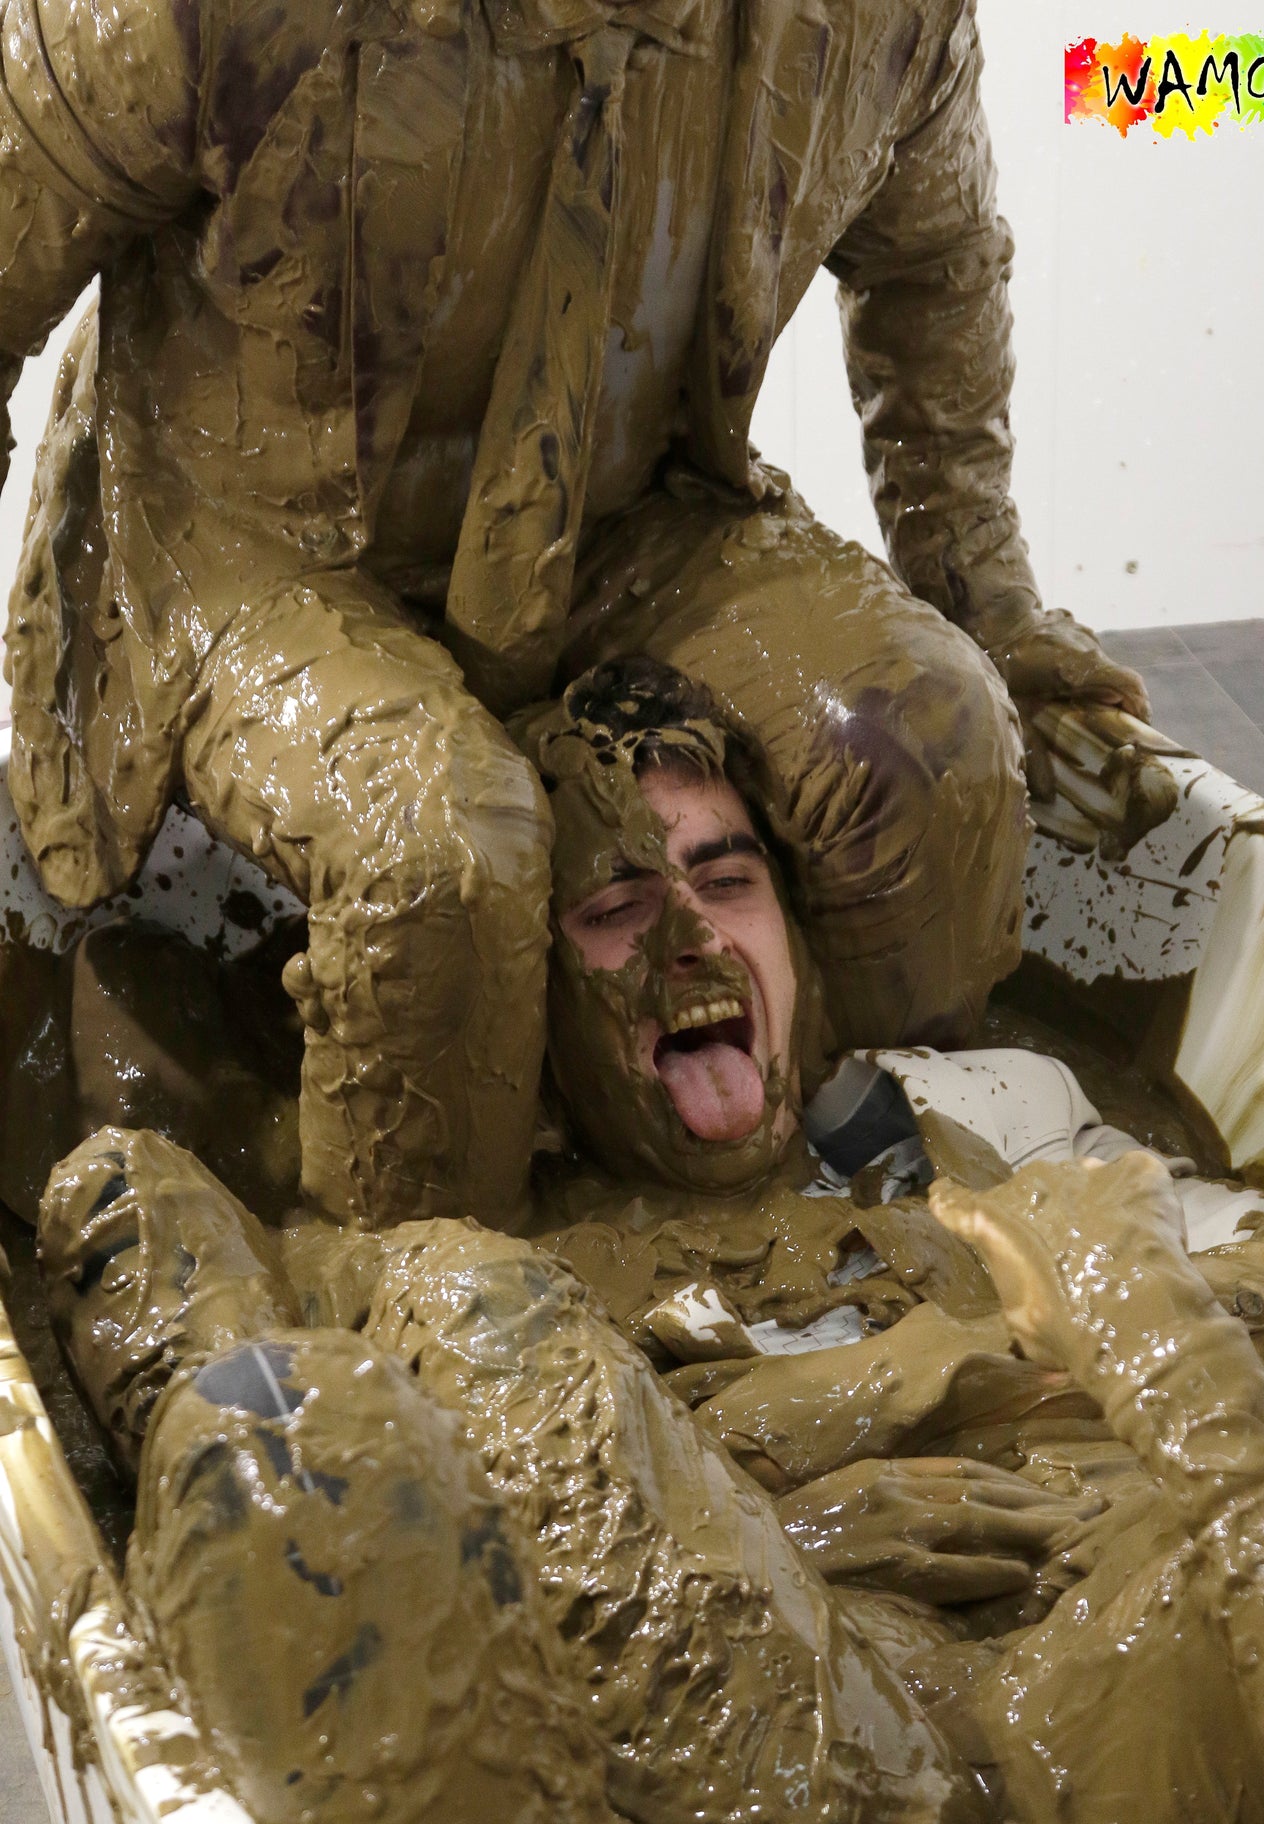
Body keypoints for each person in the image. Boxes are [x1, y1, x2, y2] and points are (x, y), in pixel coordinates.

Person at [38, 661, 1264, 1824]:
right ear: (534, 998)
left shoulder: (968, 1116)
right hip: (811, 1759)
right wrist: (861, 1426)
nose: (692, 932)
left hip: (1135, 1631)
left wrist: (1030, 1343)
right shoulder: (504, 1261)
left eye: (726, 877)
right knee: (454, 1313)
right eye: (614, 909)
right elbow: (338, 1407)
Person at [0, 0, 1154, 1231]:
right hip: (249, 535)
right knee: (436, 848)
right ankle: (428, 1299)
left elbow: (932, 266)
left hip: (619, 508)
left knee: (932, 747)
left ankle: (853, 1204)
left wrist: (983, 595)